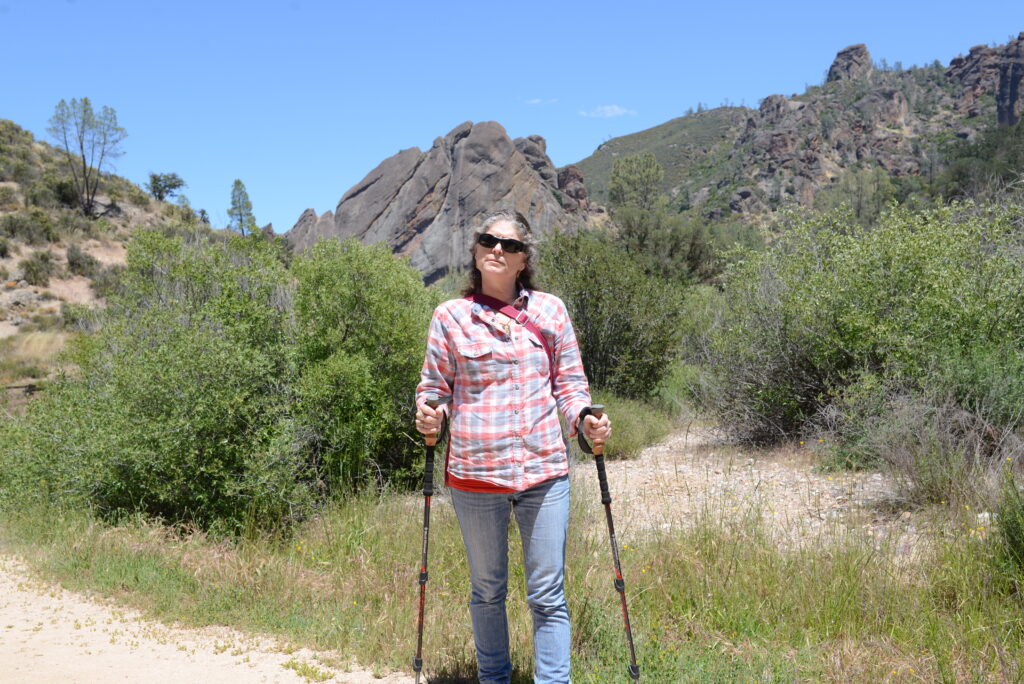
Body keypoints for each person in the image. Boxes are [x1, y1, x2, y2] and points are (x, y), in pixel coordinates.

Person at [415, 209, 611, 683]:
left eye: (511, 245)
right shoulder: (450, 316)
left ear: (524, 259)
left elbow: (569, 386)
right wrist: (430, 413)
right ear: (476, 251)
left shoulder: (550, 311)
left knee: (548, 594)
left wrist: (584, 419)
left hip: (544, 472)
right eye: (489, 240)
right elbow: (434, 387)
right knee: (486, 592)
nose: (498, 249)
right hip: (475, 477)